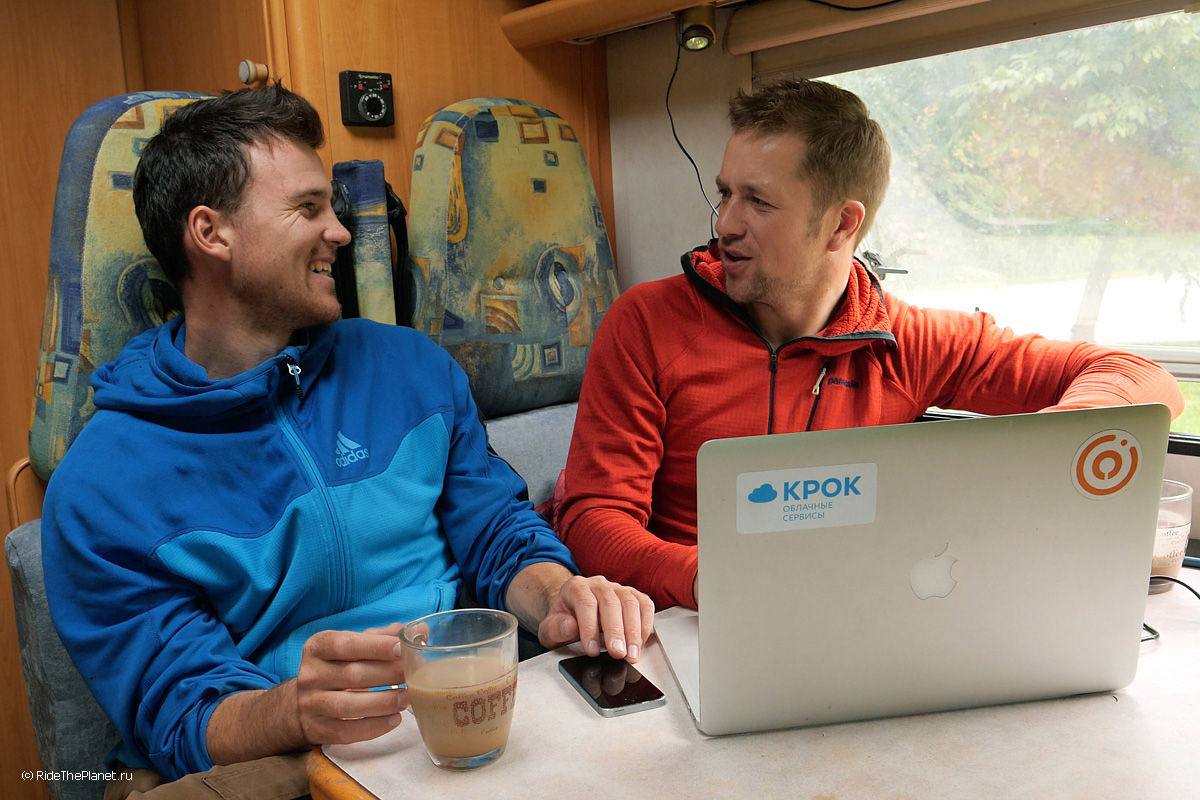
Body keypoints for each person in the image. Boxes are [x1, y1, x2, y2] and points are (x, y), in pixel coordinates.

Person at [40, 84, 654, 799]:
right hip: (280, 742)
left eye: (331, 207)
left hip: (463, 697)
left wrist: (558, 596)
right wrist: (292, 709)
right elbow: (180, 711)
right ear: (212, 234)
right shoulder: (101, 486)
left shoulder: (409, 366)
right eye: (307, 209)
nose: (340, 231)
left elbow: (496, 531)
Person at [556, 77, 1185, 611]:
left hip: (857, 615)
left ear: (842, 224)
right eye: (726, 193)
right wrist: (715, 580)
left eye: (759, 202)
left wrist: (1057, 445)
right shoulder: (646, 324)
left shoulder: (908, 341)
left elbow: (1138, 377)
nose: (725, 224)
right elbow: (594, 519)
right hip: (690, 622)